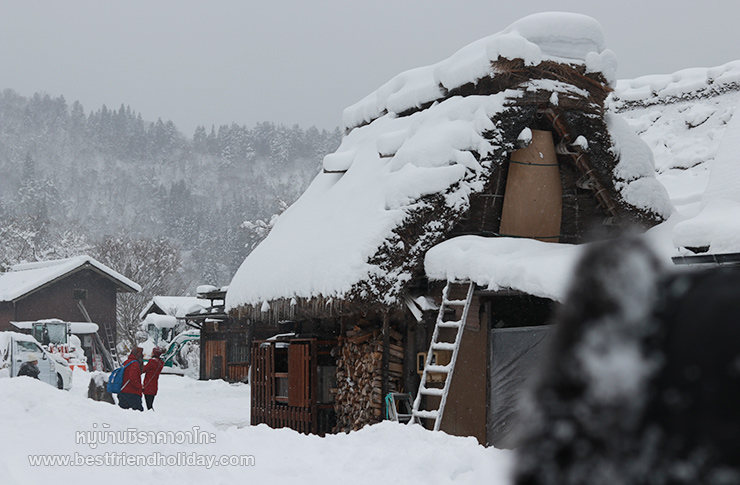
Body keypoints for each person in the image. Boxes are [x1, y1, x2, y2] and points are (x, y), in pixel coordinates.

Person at [118, 347, 144, 411]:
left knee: (124, 413)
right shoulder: (135, 364)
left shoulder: (126, 362)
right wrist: (139, 386)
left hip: (122, 390)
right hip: (132, 392)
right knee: (139, 413)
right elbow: (133, 378)